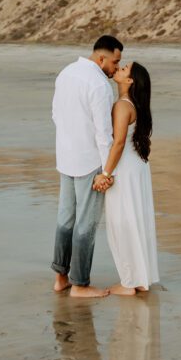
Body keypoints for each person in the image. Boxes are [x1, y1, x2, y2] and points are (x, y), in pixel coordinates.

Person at [51, 36, 123, 298]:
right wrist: (107, 172)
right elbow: (104, 134)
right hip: (89, 161)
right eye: (115, 62)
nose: (116, 68)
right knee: (86, 225)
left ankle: (61, 278)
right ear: (101, 58)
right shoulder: (99, 85)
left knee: (65, 219)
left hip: (65, 157)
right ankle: (80, 284)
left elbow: (55, 114)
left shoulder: (66, 72)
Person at [98, 62, 160, 296]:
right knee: (136, 219)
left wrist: (105, 173)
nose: (120, 69)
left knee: (122, 221)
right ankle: (140, 279)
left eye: (124, 69)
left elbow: (119, 142)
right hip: (138, 167)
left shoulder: (122, 106)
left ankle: (129, 282)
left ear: (130, 81)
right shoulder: (136, 105)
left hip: (124, 169)